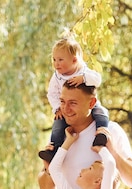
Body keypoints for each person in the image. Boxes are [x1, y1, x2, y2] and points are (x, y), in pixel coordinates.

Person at [38, 35, 109, 163]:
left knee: (101, 113)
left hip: (89, 106)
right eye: (54, 59)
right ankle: (53, 148)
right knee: (58, 125)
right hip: (65, 110)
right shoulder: (57, 77)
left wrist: (84, 79)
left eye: (60, 60)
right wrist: (57, 108)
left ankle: (101, 133)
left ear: (74, 60)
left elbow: (97, 80)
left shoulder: (83, 71)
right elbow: (52, 94)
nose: (56, 63)